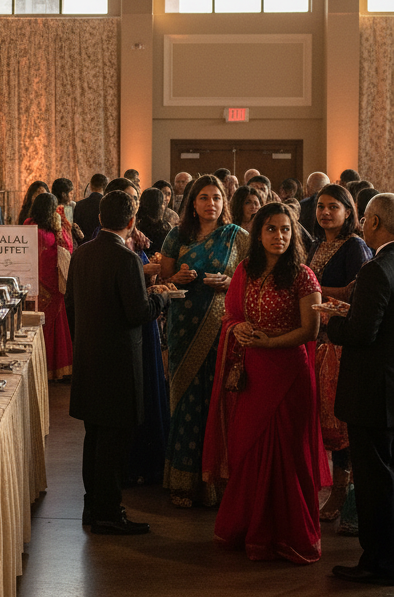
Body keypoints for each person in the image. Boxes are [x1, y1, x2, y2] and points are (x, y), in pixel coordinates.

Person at [203, 203, 325, 563]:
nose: (279, 236)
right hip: (253, 373)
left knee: (288, 454)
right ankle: (250, 529)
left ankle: (289, 536)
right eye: (271, 229)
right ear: (258, 234)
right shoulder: (245, 270)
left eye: (286, 230)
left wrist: (270, 342)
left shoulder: (303, 276)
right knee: (249, 449)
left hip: (289, 374)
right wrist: (237, 328)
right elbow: (231, 315)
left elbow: (310, 330)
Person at [66, 190, 171, 534]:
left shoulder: (81, 254)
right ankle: (109, 512)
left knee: (94, 437)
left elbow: (70, 306)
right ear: (131, 222)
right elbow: (137, 312)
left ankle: (92, 506)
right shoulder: (127, 259)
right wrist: (161, 299)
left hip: (89, 356)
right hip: (119, 363)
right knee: (114, 442)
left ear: (99, 219)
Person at [159, 174, 249, 507]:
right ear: (192, 204)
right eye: (203, 198)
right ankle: (183, 482)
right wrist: (176, 277)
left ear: (224, 203)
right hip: (183, 327)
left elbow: (253, 278)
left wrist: (229, 282)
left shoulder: (237, 237)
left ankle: (217, 483)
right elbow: (164, 281)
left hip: (221, 329)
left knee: (217, 401)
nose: (210, 204)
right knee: (185, 401)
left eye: (216, 198)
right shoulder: (176, 235)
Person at [320, 194, 394, 585]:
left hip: (372, 392)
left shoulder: (376, 269)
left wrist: (331, 324)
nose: (363, 224)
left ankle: (378, 560)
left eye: (367, 218)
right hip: (389, 387)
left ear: (377, 223)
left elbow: (363, 333)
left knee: (374, 481)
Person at [309, 184, 372, 523]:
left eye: (334, 206)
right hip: (316, 338)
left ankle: (343, 493)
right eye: (320, 206)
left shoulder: (355, 247)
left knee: (341, 419)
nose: (325, 213)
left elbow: (355, 292)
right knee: (322, 416)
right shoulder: (318, 244)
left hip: (341, 342)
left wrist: (312, 291)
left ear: (349, 212)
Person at [31, 193, 74, 382]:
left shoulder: (27, 224)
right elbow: (68, 248)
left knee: (37, 323)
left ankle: (38, 366)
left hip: (35, 281)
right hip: (51, 282)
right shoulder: (54, 228)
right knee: (53, 324)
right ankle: (53, 368)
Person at [136, 188, 172, 256]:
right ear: (158, 205)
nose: (164, 206)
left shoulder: (137, 224)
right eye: (163, 203)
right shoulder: (164, 227)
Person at [73, 173, 107, 243]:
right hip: (102, 244)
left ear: (90, 186)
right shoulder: (107, 205)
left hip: (82, 245)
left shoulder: (79, 205)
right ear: (105, 187)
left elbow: (75, 229)